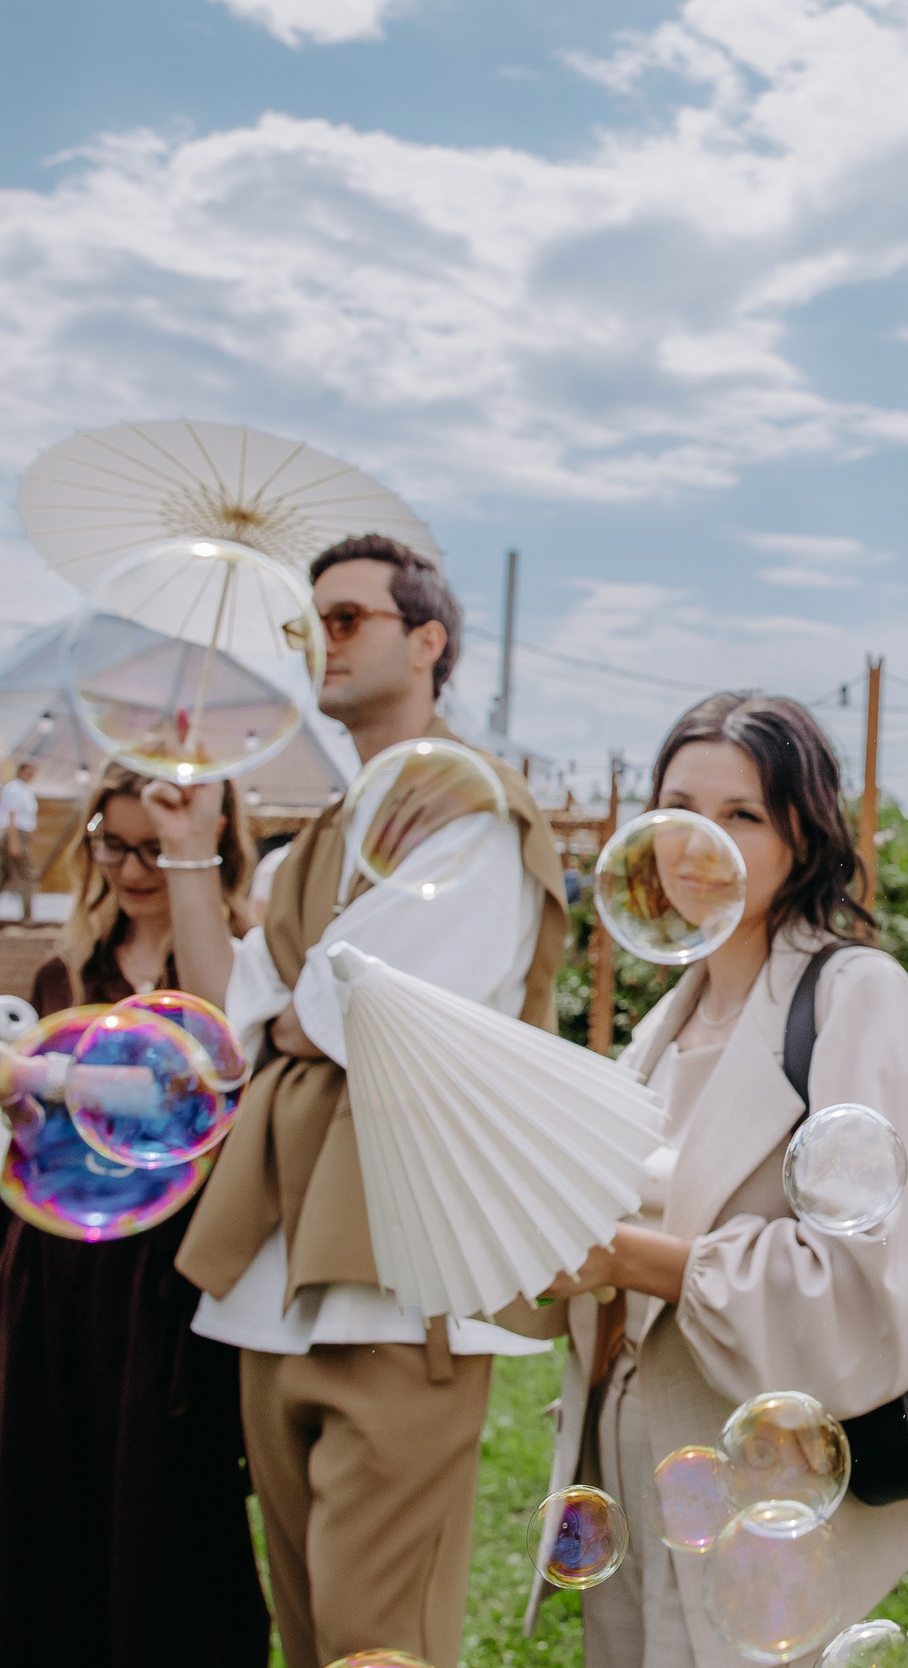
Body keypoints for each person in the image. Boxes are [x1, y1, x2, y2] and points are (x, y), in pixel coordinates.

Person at [173, 534, 571, 1668]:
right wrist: (208, 871)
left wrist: (295, 1002)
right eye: (311, 626)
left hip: (403, 1283)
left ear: (428, 641)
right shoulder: (316, 845)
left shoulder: (476, 807)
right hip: (270, 1280)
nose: (321, 646)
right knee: (303, 1638)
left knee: (374, 1641)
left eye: (346, 620)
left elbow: (369, 1009)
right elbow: (232, 1024)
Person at [534, 694, 908, 1667]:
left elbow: (860, 1290)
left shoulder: (855, 999)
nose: (699, 842)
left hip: (764, 1473)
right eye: (679, 807)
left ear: (802, 836)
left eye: (742, 814)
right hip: (629, 1454)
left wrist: (630, 1257)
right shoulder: (662, 1027)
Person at [0, 758, 268, 1668]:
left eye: (154, 844)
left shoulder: (237, 961)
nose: (133, 866)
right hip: (55, 1267)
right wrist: (4, 1095)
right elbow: (45, 1136)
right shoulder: (62, 970)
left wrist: (37, 1072)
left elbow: (198, 1084)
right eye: (112, 843)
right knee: (50, 1506)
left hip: (165, 1281)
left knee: (160, 1516)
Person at [0, 760, 42, 927]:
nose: (31, 776)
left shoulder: (24, 790)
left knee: (0, 877)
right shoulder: (15, 789)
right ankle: (27, 917)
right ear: (20, 771)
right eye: (28, 772)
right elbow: (12, 814)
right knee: (25, 876)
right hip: (15, 834)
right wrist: (14, 841)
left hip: (16, 834)